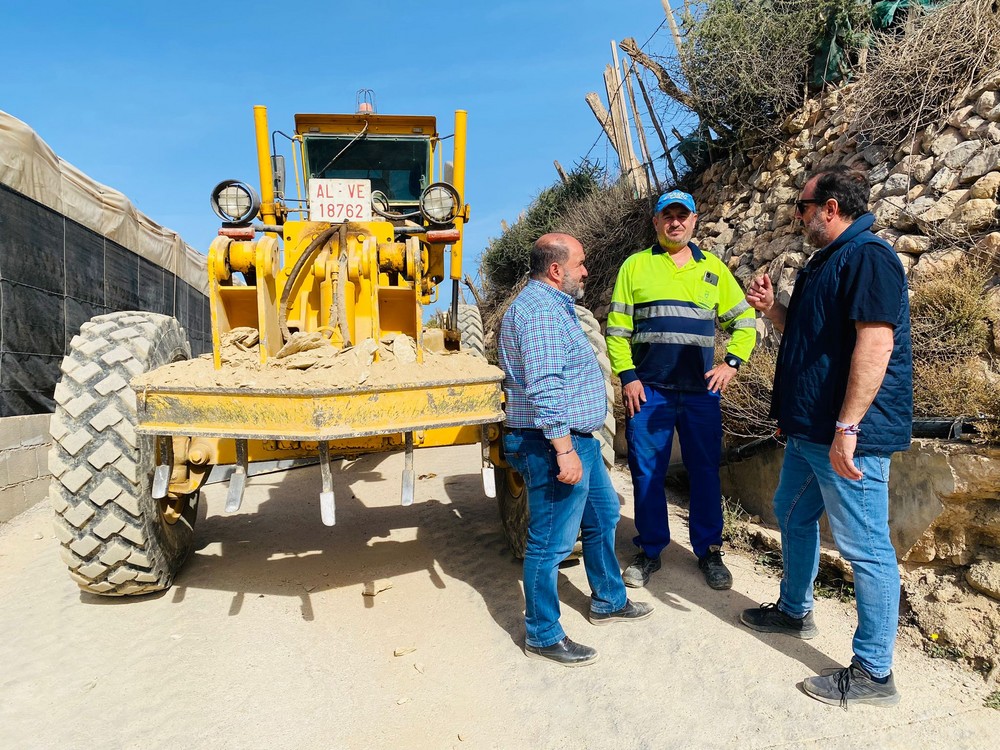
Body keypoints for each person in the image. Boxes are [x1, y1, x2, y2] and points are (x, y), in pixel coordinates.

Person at [740, 165, 912, 707]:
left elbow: (876, 345)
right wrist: (773, 311)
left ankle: (874, 673)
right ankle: (795, 611)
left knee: (866, 549)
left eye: (802, 205)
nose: (798, 214)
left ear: (830, 208)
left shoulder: (869, 257)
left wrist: (848, 427)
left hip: (846, 434)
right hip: (809, 430)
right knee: (790, 511)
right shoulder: (826, 262)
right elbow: (811, 335)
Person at [499, 232, 653, 667]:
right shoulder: (540, 313)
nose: (586, 270)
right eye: (580, 263)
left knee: (603, 516)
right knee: (549, 542)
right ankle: (543, 633)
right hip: (552, 444)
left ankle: (608, 600)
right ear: (555, 270)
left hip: (576, 441)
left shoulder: (554, 306)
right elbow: (546, 387)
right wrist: (564, 450)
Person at [606, 190, 756, 591]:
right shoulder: (635, 267)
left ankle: (709, 551)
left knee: (705, 472)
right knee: (647, 473)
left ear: (694, 221)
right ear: (656, 222)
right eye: (667, 215)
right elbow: (617, 330)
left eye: (682, 215)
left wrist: (732, 364)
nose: (675, 222)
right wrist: (628, 376)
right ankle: (650, 549)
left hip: (699, 393)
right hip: (649, 391)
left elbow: (745, 321)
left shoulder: (714, 270)